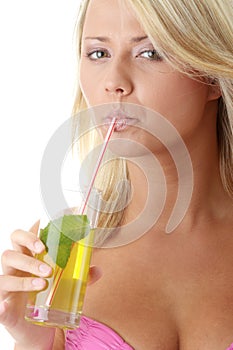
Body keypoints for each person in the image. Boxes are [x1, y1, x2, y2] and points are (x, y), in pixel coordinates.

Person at [1, 0, 233, 349]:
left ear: (212, 76)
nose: (114, 82)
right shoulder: (62, 255)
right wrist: (32, 341)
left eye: (150, 52)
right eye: (98, 54)